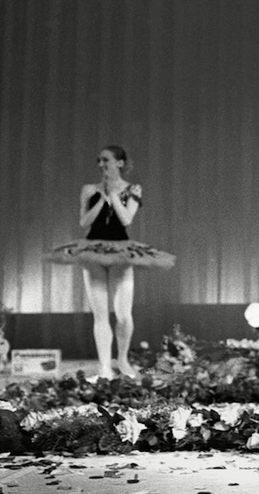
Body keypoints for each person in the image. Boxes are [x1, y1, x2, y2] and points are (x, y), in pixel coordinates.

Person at [44, 146, 174, 379]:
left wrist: (113, 195)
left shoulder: (133, 189)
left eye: (106, 160)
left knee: (123, 314)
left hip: (120, 250)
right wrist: (101, 199)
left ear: (120, 163)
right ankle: (104, 366)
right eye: (99, 161)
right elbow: (84, 222)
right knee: (100, 314)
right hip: (93, 249)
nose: (101, 165)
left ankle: (122, 359)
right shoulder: (89, 189)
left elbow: (126, 219)